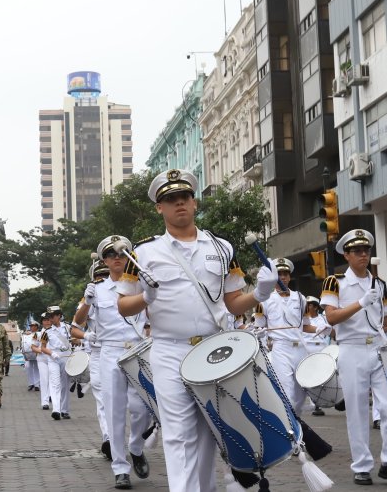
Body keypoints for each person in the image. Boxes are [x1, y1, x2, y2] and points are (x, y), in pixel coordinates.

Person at [115, 169, 274, 492]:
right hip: (169, 350)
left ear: (194, 202)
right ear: (159, 208)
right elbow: (123, 305)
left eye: (184, 198)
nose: (179, 204)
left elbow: (232, 303)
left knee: (209, 432)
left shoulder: (221, 247)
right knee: (178, 433)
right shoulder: (143, 253)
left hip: (214, 349)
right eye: (170, 200)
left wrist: (259, 294)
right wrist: (146, 297)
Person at [321, 229, 387, 487]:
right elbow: (331, 317)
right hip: (351, 349)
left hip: (377, 347)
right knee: (356, 411)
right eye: (357, 251)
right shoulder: (335, 282)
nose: (363, 255)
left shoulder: (380, 284)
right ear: (347, 254)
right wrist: (360, 303)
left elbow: (384, 322)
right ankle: (362, 465)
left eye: (366, 250)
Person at [79, 235, 152, 490]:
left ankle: (136, 446)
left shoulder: (142, 285)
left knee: (144, 408)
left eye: (121, 254)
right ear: (104, 261)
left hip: (138, 350)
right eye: (111, 255)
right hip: (110, 352)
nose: (117, 259)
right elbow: (76, 322)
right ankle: (120, 468)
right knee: (114, 412)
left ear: (130, 257)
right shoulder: (97, 289)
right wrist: (86, 302)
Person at [253, 257, 311, 413]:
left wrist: (325, 328)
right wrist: (261, 339)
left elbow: (305, 326)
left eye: (286, 273)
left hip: (300, 348)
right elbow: (259, 327)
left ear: (290, 276)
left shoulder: (300, 298)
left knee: (301, 395)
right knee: (286, 392)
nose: (283, 277)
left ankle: (296, 424)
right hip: (281, 349)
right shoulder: (263, 300)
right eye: (279, 274)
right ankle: (290, 431)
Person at [72, 259, 111, 454]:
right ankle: (108, 438)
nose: (102, 280)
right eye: (98, 277)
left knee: (134, 402)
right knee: (102, 397)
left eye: (106, 276)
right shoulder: (86, 299)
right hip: (98, 353)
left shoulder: (124, 292)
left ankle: (135, 441)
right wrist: (87, 335)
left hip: (123, 351)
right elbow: (75, 327)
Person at [43, 305, 72, 420]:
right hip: (53, 358)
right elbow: (43, 348)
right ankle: (56, 410)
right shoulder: (47, 331)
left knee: (65, 384)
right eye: (49, 316)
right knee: (55, 384)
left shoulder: (68, 328)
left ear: (59, 316)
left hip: (66, 357)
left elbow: (75, 339)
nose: (50, 319)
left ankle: (64, 410)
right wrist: (51, 353)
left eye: (52, 316)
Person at [32, 312, 54, 410]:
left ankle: (52, 396)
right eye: (45, 320)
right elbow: (33, 347)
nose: (47, 322)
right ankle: (45, 402)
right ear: (42, 322)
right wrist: (40, 350)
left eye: (49, 320)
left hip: (54, 358)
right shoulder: (38, 334)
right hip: (42, 359)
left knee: (53, 379)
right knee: (44, 379)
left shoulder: (56, 332)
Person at [21, 320, 40, 391]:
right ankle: (31, 383)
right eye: (31, 326)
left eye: (33, 326)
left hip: (37, 353)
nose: (31, 327)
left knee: (36, 369)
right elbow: (23, 344)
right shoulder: (26, 335)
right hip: (28, 354)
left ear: (36, 327)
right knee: (28, 367)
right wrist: (24, 353)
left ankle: (37, 384)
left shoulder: (39, 333)